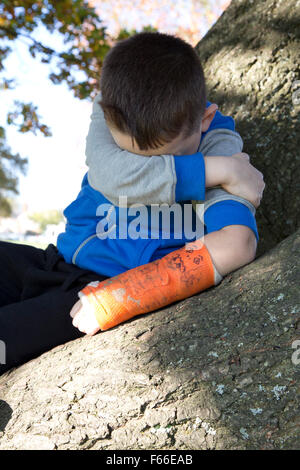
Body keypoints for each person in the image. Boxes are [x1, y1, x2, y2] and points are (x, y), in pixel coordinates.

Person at [0, 32, 264, 374]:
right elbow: (112, 174)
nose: (144, 171)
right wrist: (210, 172)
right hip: (55, 260)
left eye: (164, 159)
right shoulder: (116, 105)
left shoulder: (220, 145)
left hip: (96, 289)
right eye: (129, 155)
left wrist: (122, 295)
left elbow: (238, 243)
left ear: (205, 119)